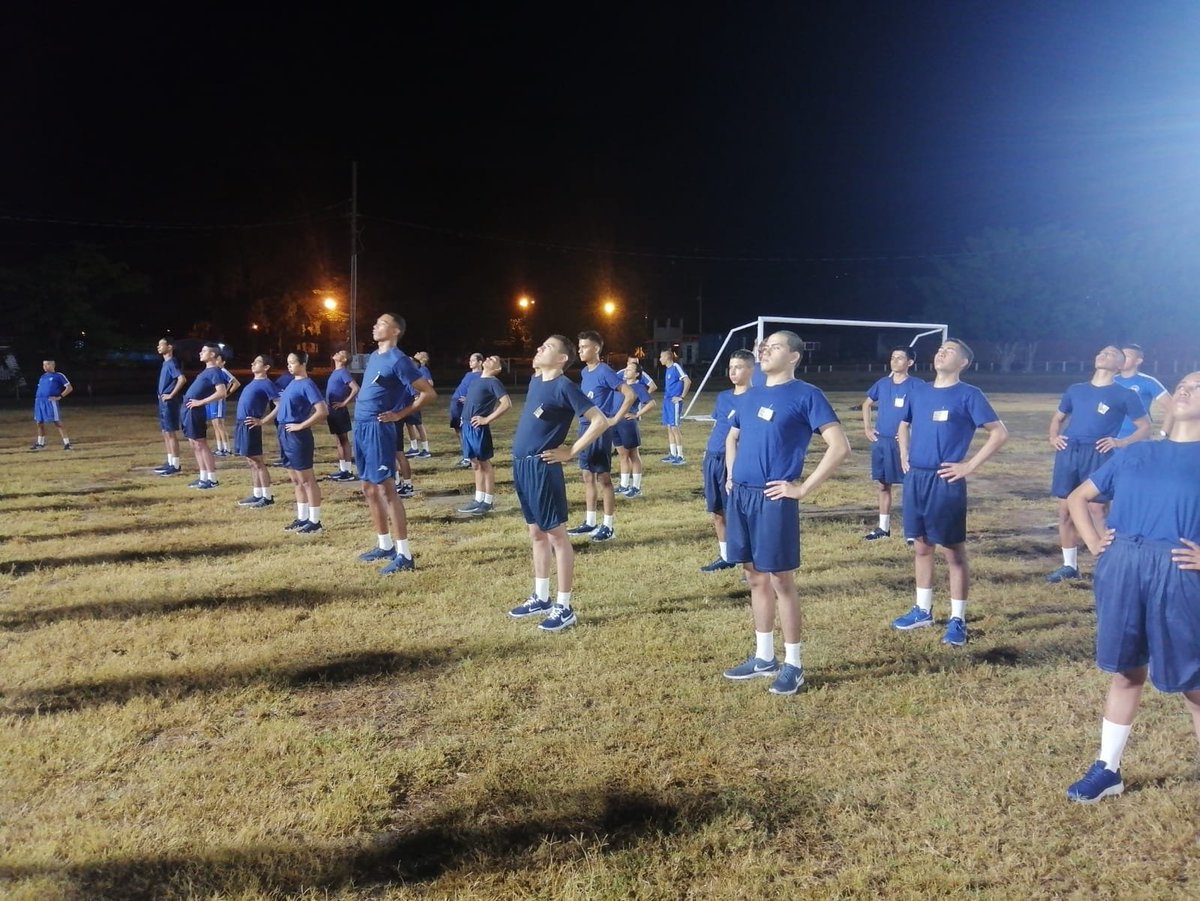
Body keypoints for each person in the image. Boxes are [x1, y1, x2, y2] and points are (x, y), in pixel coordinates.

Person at [1062, 372, 1200, 804]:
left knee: (1193, 682)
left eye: (1199, 387)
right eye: (1184, 383)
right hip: (1123, 565)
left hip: (1178, 572)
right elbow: (1077, 499)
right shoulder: (1135, 453)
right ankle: (1108, 769)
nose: (1186, 389)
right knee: (1126, 670)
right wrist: (1093, 541)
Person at [721, 331, 851, 695]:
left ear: (794, 357)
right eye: (764, 346)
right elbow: (733, 437)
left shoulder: (807, 394)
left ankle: (793, 663)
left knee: (780, 579)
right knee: (754, 576)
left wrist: (802, 488)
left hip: (774, 498)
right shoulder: (751, 394)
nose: (765, 350)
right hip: (742, 497)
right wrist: (732, 473)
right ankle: (764, 657)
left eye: (775, 346)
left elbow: (840, 447)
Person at [890, 338, 1008, 647]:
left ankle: (957, 618)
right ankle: (923, 610)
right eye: (941, 349)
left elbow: (999, 433)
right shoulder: (918, 391)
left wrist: (969, 466)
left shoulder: (969, 395)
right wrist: (904, 453)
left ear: (963, 363)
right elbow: (903, 424)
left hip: (946, 480)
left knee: (953, 552)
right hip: (917, 478)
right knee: (921, 545)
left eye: (950, 351)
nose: (942, 353)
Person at [506, 336, 614, 632]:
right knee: (536, 534)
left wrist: (571, 451)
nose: (540, 348)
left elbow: (599, 420)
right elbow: (537, 367)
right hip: (522, 465)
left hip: (543, 468)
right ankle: (541, 597)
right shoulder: (536, 381)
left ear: (563, 359)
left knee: (556, 537)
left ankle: (564, 607)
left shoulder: (565, 386)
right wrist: (540, 360)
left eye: (548, 347)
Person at [1046, 345, 1150, 583]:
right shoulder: (1076, 390)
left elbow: (1145, 427)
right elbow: (1058, 418)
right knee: (1065, 511)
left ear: (1120, 365)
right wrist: (1054, 436)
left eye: (1111, 354)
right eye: (1101, 352)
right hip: (1070, 451)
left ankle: (1111, 564)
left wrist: (1120, 442)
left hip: (1099, 453)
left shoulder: (1125, 395)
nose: (1103, 355)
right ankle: (1069, 566)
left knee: (1098, 510)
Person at [352, 313, 435, 573]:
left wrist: (399, 415)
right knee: (368, 487)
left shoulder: (399, 361)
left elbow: (427, 393)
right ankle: (384, 545)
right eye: (375, 322)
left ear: (396, 331)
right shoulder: (375, 357)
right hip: (362, 426)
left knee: (387, 489)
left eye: (382, 323)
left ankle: (404, 555)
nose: (375, 326)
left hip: (379, 429)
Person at [565, 330, 636, 542]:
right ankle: (590, 521)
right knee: (587, 475)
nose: (580, 350)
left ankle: (608, 525)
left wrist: (614, 419)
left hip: (599, 430)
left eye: (584, 346)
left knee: (603, 478)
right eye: (579, 347)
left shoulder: (604, 370)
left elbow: (630, 394)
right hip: (584, 428)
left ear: (596, 348)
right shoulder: (586, 372)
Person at [260, 352, 328, 533]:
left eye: (292, 363)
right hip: (284, 432)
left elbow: (322, 411)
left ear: (303, 364)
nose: (289, 366)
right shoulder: (292, 382)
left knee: (307, 480)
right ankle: (302, 517)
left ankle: (315, 521)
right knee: (296, 480)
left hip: (298, 436)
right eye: (288, 363)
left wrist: (300, 426)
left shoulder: (307, 384)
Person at [699, 349, 754, 572]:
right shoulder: (723, 397)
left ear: (751, 369)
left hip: (735, 462)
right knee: (717, 511)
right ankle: (726, 556)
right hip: (713, 458)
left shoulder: (755, 398)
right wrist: (707, 451)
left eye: (738, 367)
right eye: (730, 367)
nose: (733, 371)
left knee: (738, 514)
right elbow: (717, 425)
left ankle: (749, 562)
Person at [861, 346, 915, 540]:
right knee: (884, 485)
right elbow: (866, 404)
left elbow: (923, 412)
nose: (895, 361)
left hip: (902, 443)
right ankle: (884, 529)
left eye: (900, 358)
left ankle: (912, 531)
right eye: (893, 357)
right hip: (882, 442)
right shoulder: (883, 384)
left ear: (910, 363)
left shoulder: (916, 385)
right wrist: (868, 428)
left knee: (910, 487)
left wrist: (912, 435)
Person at [456, 354, 512, 515]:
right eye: (488, 357)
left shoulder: (493, 382)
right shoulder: (476, 380)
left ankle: (487, 501)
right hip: (467, 425)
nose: (488, 359)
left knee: (484, 463)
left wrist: (486, 419)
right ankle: (478, 499)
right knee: (474, 463)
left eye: (493, 360)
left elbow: (507, 403)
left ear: (498, 369)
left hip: (477, 428)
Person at [234, 354, 281, 509]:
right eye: (253, 361)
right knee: (251, 461)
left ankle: (267, 497)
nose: (253, 364)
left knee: (257, 461)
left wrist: (262, 421)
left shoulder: (267, 383)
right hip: (242, 424)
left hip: (251, 425)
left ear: (266, 367)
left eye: (258, 362)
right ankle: (257, 494)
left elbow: (279, 404)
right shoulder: (254, 382)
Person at [181, 343, 229, 489]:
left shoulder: (215, 371)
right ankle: (203, 477)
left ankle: (212, 479)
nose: (200, 353)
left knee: (201, 444)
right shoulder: (206, 371)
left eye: (204, 351)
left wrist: (200, 402)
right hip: (188, 409)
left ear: (213, 355)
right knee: (194, 444)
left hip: (196, 410)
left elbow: (222, 392)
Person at [614, 357, 657, 498]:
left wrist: (636, 414)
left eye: (630, 370)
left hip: (628, 424)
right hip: (615, 422)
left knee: (633, 455)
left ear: (637, 374)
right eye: (626, 369)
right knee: (622, 455)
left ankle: (636, 487)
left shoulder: (639, 387)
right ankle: (624, 484)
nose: (626, 371)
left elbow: (651, 403)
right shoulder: (621, 385)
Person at [1114, 342, 1172, 439]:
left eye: (1127, 356)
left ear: (1138, 361)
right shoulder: (1111, 380)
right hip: (1110, 441)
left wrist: (1164, 434)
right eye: (1121, 356)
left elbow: (1172, 407)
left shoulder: (1148, 382)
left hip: (1137, 441)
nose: (1122, 359)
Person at [324, 349, 360, 481]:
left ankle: (348, 471)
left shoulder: (343, 372)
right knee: (338, 440)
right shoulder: (336, 371)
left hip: (339, 410)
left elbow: (355, 388)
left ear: (344, 360)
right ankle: (343, 468)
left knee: (343, 440)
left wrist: (344, 403)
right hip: (332, 410)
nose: (336, 353)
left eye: (340, 353)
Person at [154, 337, 187, 475]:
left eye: (161, 345)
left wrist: (171, 394)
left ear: (170, 347)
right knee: (165, 432)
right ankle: (170, 461)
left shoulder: (172, 363)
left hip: (169, 403)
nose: (158, 347)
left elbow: (182, 379)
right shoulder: (165, 363)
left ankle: (176, 465)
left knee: (170, 433)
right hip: (163, 402)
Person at [449, 353, 484, 468]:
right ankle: (466, 455)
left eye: (473, 360)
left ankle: (469, 457)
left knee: (466, 431)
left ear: (480, 362)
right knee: (458, 430)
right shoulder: (468, 374)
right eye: (469, 360)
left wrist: (469, 399)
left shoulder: (481, 376)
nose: (470, 362)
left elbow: (480, 391)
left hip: (464, 406)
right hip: (456, 404)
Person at [31, 359, 73, 450]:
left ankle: (67, 444)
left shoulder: (58, 376)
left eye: (47, 364)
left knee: (57, 422)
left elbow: (69, 388)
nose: (44, 367)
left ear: (53, 365)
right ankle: (40, 444)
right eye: (43, 365)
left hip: (50, 401)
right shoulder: (42, 376)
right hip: (39, 402)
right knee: (39, 422)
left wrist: (60, 396)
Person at [659, 347, 691, 464]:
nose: (660, 359)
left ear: (667, 357)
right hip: (667, 401)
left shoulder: (676, 367)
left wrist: (681, 397)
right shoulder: (667, 370)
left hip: (674, 402)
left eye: (661, 357)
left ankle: (680, 456)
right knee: (669, 427)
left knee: (675, 427)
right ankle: (673, 454)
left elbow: (687, 381)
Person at [206, 349, 240, 457]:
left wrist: (226, 394)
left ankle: (227, 449)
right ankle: (220, 448)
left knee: (220, 425)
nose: (216, 361)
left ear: (223, 362)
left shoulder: (223, 371)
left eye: (218, 360)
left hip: (218, 402)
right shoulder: (214, 371)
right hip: (212, 401)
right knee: (215, 425)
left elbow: (236, 383)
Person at [404, 350, 435, 458]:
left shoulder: (423, 369)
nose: (416, 352)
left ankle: (426, 449)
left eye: (420, 353)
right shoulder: (415, 369)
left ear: (423, 359)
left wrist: (420, 394)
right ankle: (414, 448)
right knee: (409, 424)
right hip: (408, 399)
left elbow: (430, 383)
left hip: (415, 400)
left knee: (418, 424)